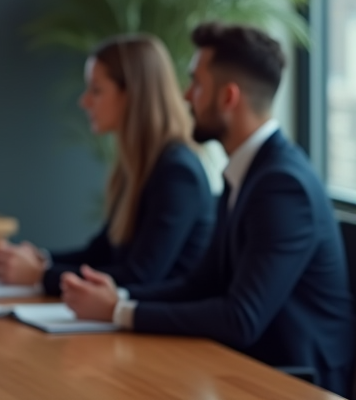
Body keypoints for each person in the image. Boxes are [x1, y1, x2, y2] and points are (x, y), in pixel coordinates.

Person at [62, 22, 354, 395]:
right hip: (248, 365)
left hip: (293, 381)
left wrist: (120, 312)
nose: (186, 96)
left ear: (228, 97)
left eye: (196, 84)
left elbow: (240, 317)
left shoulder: (282, 185)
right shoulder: (251, 172)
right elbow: (200, 284)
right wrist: (119, 299)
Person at [0, 34, 213, 295]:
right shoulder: (139, 167)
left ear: (132, 96)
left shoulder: (177, 173)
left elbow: (140, 276)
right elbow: (100, 253)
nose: (84, 101)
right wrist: (41, 259)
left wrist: (41, 275)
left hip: (163, 332)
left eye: (96, 90)